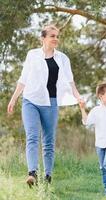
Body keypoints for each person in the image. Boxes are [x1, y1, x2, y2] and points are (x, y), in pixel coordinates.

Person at [7, 24, 83, 187]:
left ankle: (47, 176)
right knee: (32, 136)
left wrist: (78, 97)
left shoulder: (62, 58)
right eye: (52, 36)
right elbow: (23, 79)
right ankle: (32, 173)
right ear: (43, 38)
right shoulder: (32, 55)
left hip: (51, 102)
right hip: (30, 100)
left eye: (57, 36)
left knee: (48, 141)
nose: (56, 39)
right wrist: (14, 99)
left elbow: (70, 82)